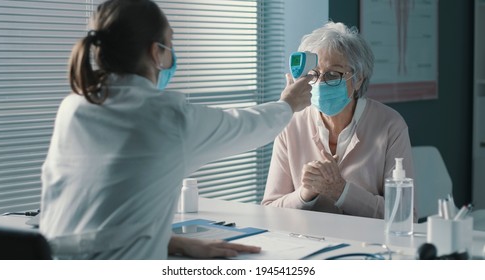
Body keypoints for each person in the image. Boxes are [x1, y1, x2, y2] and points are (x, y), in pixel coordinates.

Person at [39, 0, 312, 260]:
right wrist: (289, 104)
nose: (172, 52)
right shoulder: (167, 117)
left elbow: (104, 213)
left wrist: (172, 241)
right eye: (169, 43)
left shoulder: (72, 108)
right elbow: (247, 126)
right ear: (155, 52)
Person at [261, 21, 416, 220]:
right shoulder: (291, 124)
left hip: (366, 245)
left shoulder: (390, 125)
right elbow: (269, 210)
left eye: (333, 74)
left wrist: (342, 191)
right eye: (313, 74)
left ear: (358, 78)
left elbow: (404, 215)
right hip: (308, 244)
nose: (321, 82)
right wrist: (305, 193)